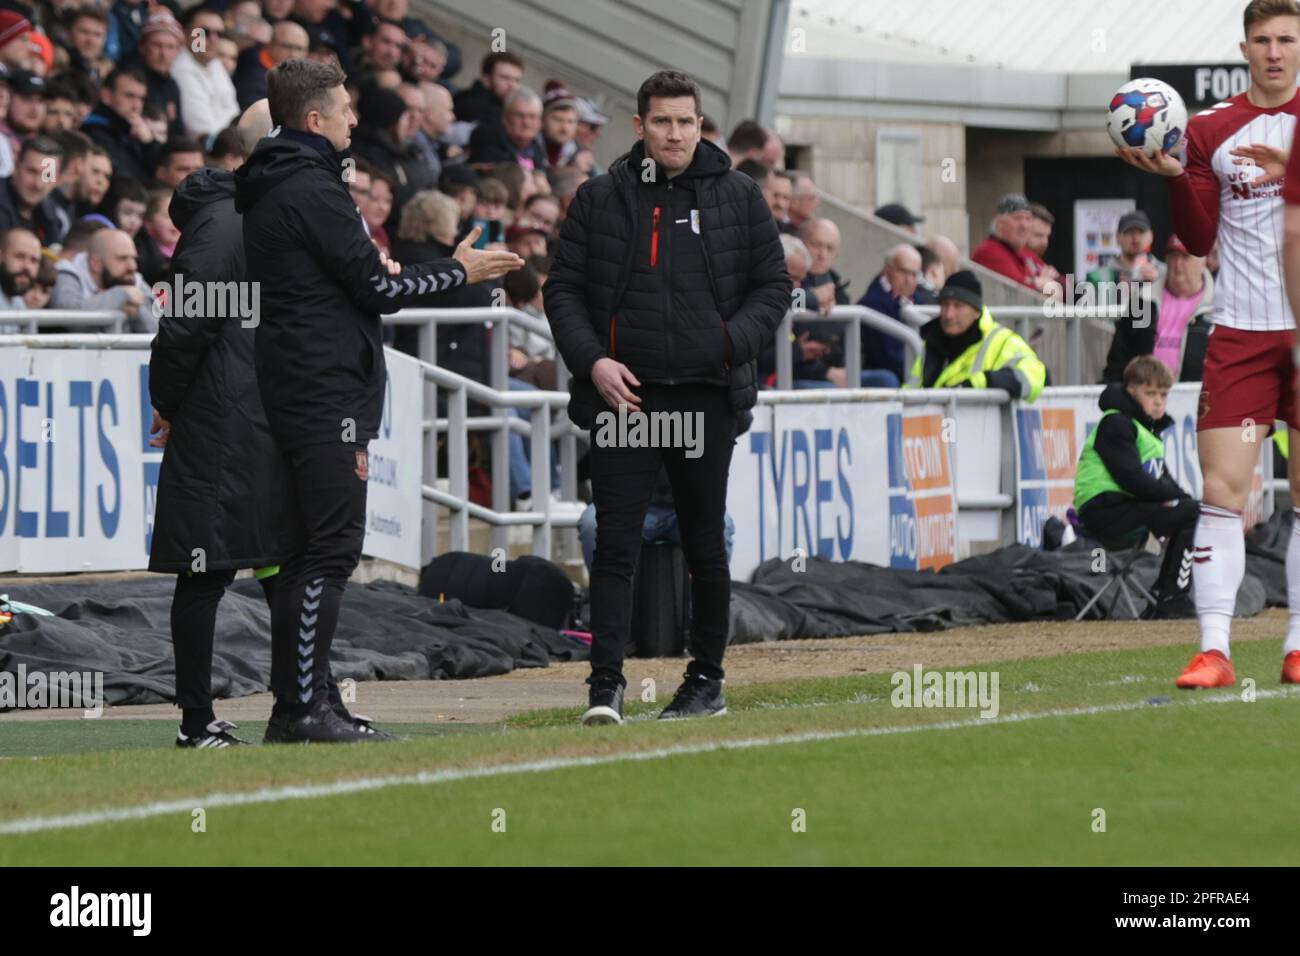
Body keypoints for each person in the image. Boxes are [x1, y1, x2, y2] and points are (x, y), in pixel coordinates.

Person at [235, 58, 522, 744]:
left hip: (303, 383)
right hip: (321, 390)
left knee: (309, 551)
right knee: (328, 551)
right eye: (344, 110)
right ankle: (301, 709)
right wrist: (459, 271)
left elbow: (354, 283)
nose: (354, 121)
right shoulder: (311, 189)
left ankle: (311, 701)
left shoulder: (281, 184)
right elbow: (377, 292)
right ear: (314, 120)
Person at [546, 70, 789, 725]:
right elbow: (562, 290)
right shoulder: (600, 199)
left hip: (705, 400)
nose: (675, 133)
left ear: (700, 124)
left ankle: (705, 682)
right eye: (662, 122)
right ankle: (605, 690)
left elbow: (773, 288)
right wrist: (593, 362)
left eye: (686, 121)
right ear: (640, 126)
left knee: (705, 544)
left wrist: (725, 344)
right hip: (625, 399)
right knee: (614, 544)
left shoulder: (739, 196)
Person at [1119, 0, 1300, 688]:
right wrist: (1174, 178)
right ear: (1244, 47)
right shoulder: (1210, 129)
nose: (1276, 51)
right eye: (1263, 39)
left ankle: (1296, 645)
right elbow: (1196, 240)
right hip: (1241, 334)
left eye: (1287, 38)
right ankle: (1215, 649)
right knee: (1224, 492)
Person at [1074, 356, 1199, 616]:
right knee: (1193, 514)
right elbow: (1133, 479)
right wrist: (1180, 500)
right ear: (1131, 391)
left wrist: (1183, 498)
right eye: (1150, 393)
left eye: (1163, 395)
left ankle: (1165, 594)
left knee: (1193, 510)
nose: (1157, 401)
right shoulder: (1116, 423)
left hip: (1124, 508)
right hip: (1104, 511)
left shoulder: (1146, 432)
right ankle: (1171, 596)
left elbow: (1161, 481)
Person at [905, 270, 1045, 400]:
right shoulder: (931, 342)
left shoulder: (1003, 340)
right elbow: (910, 393)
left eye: (958, 306)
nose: (949, 315)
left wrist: (982, 382)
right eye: (945, 305)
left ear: (976, 312)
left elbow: (1034, 375)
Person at [1102, 234, 1215, 383]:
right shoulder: (1143, 300)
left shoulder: (1219, 307)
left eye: (1185, 257)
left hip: (1197, 399)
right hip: (1141, 399)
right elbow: (1117, 359)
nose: (1178, 264)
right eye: (1173, 256)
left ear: (1203, 262)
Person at [971, 192, 1036, 289]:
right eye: (1017, 218)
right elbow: (1020, 290)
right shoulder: (990, 251)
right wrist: (1038, 284)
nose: (1024, 225)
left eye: (1028, 219)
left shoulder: (1022, 252)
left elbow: (1064, 283)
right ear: (999, 224)